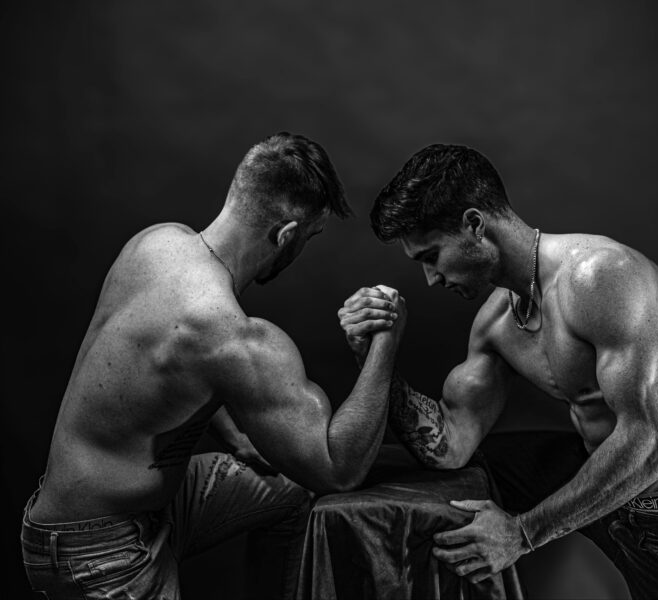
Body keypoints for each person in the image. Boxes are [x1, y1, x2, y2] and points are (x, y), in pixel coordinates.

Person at [338, 143, 658, 599]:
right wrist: (376, 353)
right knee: (480, 466)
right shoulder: (498, 322)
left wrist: (522, 532)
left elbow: (656, 443)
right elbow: (450, 445)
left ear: (475, 225)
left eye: (431, 256)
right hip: (616, 491)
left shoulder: (597, 278)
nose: (430, 279)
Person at [21, 132, 406, 600]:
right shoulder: (233, 338)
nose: (304, 247)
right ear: (285, 235)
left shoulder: (155, 243)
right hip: (100, 553)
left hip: (92, 515)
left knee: (290, 489)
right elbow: (338, 469)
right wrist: (386, 338)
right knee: (317, 479)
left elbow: (164, 363)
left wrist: (239, 437)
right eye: (309, 236)